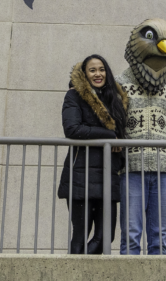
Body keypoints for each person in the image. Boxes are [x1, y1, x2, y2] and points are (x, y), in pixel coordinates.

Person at [116, 18, 166, 255]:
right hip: (131, 167)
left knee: (160, 234)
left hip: (164, 167)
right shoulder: (120, 83)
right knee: (131, 233)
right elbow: (115, 125)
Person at [57, 54, 127, 254]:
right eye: (93, 70)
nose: (98, 74)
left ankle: (80, 269)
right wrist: (108, 135)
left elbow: (121, 136)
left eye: (102, 69)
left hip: (108, 174)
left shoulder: (115, 98)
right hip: (81, 173)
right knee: (81, 233)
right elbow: (72, 129)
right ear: (85, 74)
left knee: (106, 237)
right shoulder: (74, 96)